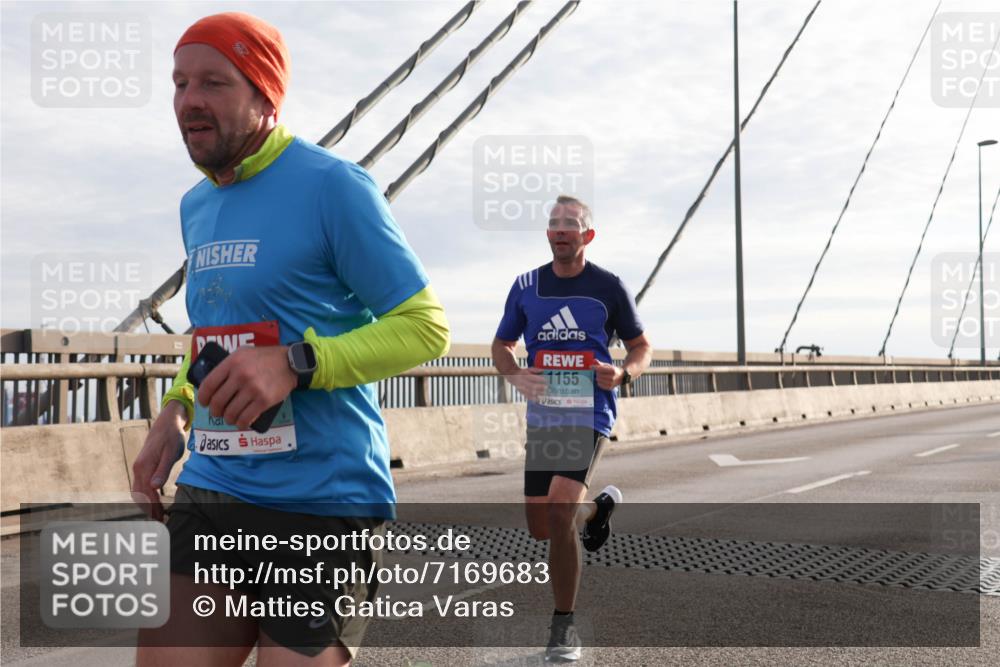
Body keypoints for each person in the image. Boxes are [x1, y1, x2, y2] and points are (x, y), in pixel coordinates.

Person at [131, 12, 449, 667]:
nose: (189, 101)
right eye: (180, 82)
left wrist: (297, 363)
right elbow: (216, 331)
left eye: (214, 83)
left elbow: (426, 327)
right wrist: (178, 406)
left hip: (321, 503)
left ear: (263, 94)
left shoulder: (333, 187)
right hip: (214, 488)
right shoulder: (197, 205)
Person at [491, 195, 652, 662]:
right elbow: (502, 345)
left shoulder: (609, 287)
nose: (561, 230)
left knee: (558, 512)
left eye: (571, 224)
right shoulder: (526, 286)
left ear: (587, 235)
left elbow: (642, 346)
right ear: (548, 234)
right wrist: (516, 374)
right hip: (545, 416)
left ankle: (564, 630)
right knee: (543, 525)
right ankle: (594, 512)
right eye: (554, 224)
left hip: (590, 412)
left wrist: (623, 373)